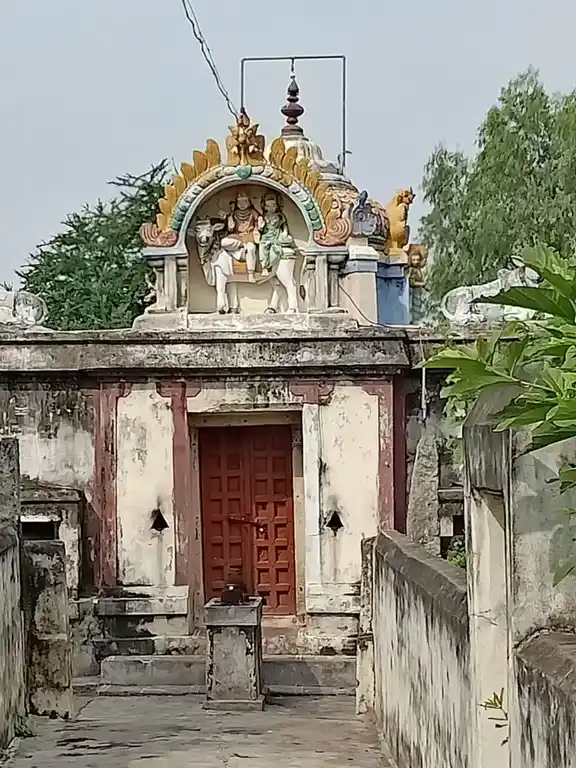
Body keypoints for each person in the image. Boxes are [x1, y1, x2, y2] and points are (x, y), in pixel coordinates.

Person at [257, 192, 296, 276]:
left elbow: (284, 226)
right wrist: (261, 226)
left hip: (277, 235)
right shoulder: (263, 217)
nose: (271, 208)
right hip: (266, 236)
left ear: (276, 206)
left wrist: (285, 232)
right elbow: (260, 229)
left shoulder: (280, 216)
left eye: (273, 205)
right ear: (265, 207)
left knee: (281, 244)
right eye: (268, 206)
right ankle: (264, 267)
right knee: (263, 247)